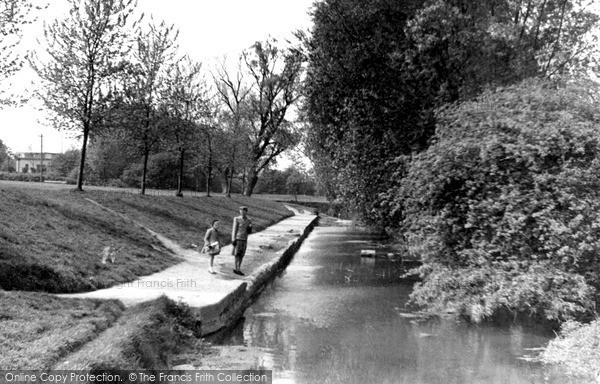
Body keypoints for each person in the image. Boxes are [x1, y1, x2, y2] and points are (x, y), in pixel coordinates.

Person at [231, 206, 253, 275]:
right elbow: (234, 229)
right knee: (237, 254)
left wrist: (250, 228)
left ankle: (238, 268)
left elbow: (249, 232)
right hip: (238, 238)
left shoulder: (249, 220)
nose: (242, 212)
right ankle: (237, 269)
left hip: (245, 239)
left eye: (244, 211)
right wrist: (233, 239)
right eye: (241, 211)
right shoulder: (236, 219)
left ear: (246, 212)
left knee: (242, 254)